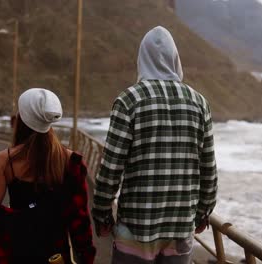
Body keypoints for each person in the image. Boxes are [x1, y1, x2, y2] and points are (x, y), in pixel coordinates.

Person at [92, 26, 218, 263]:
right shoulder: (200, 103)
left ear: (142, 58)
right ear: (175, 59)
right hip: (180, 229)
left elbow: (111, 169)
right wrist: (203, 212)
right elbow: (208, 169)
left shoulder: (129, 100)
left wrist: (102, 214)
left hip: (135, 229)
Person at [0, 88, 96, 263]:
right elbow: (79, 218)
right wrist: (86, 256)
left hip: (15, 253)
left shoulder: (6, 160)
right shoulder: (70, 160)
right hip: (54, 255)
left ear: (21, 119)